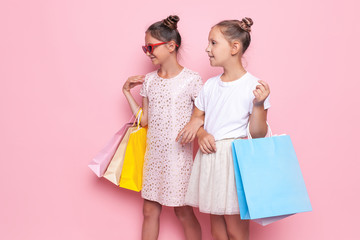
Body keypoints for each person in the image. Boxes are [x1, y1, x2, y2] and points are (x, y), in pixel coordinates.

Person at [177, 17, 271, 240]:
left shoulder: (253, 86)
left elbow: (258, 133)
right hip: (210, 159)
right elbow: (197, 118)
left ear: (234, 48)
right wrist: (202, 134)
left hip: (234, 160)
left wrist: (258, 104)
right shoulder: (210, 86)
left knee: (236, 231)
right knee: (217, 231)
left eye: (213, 43)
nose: (207, 49)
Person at [122, 15, 203, 240]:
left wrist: (197, 123)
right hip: (153, 156)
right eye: (144, 47)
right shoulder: (149, 80)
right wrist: (127, 93)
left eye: (150, 47)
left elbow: (202, 116)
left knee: (183, 211)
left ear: (170, 46)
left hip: (178, 157)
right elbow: (144, 119)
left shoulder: (192, 80)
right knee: (149, 210)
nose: (147, 52)